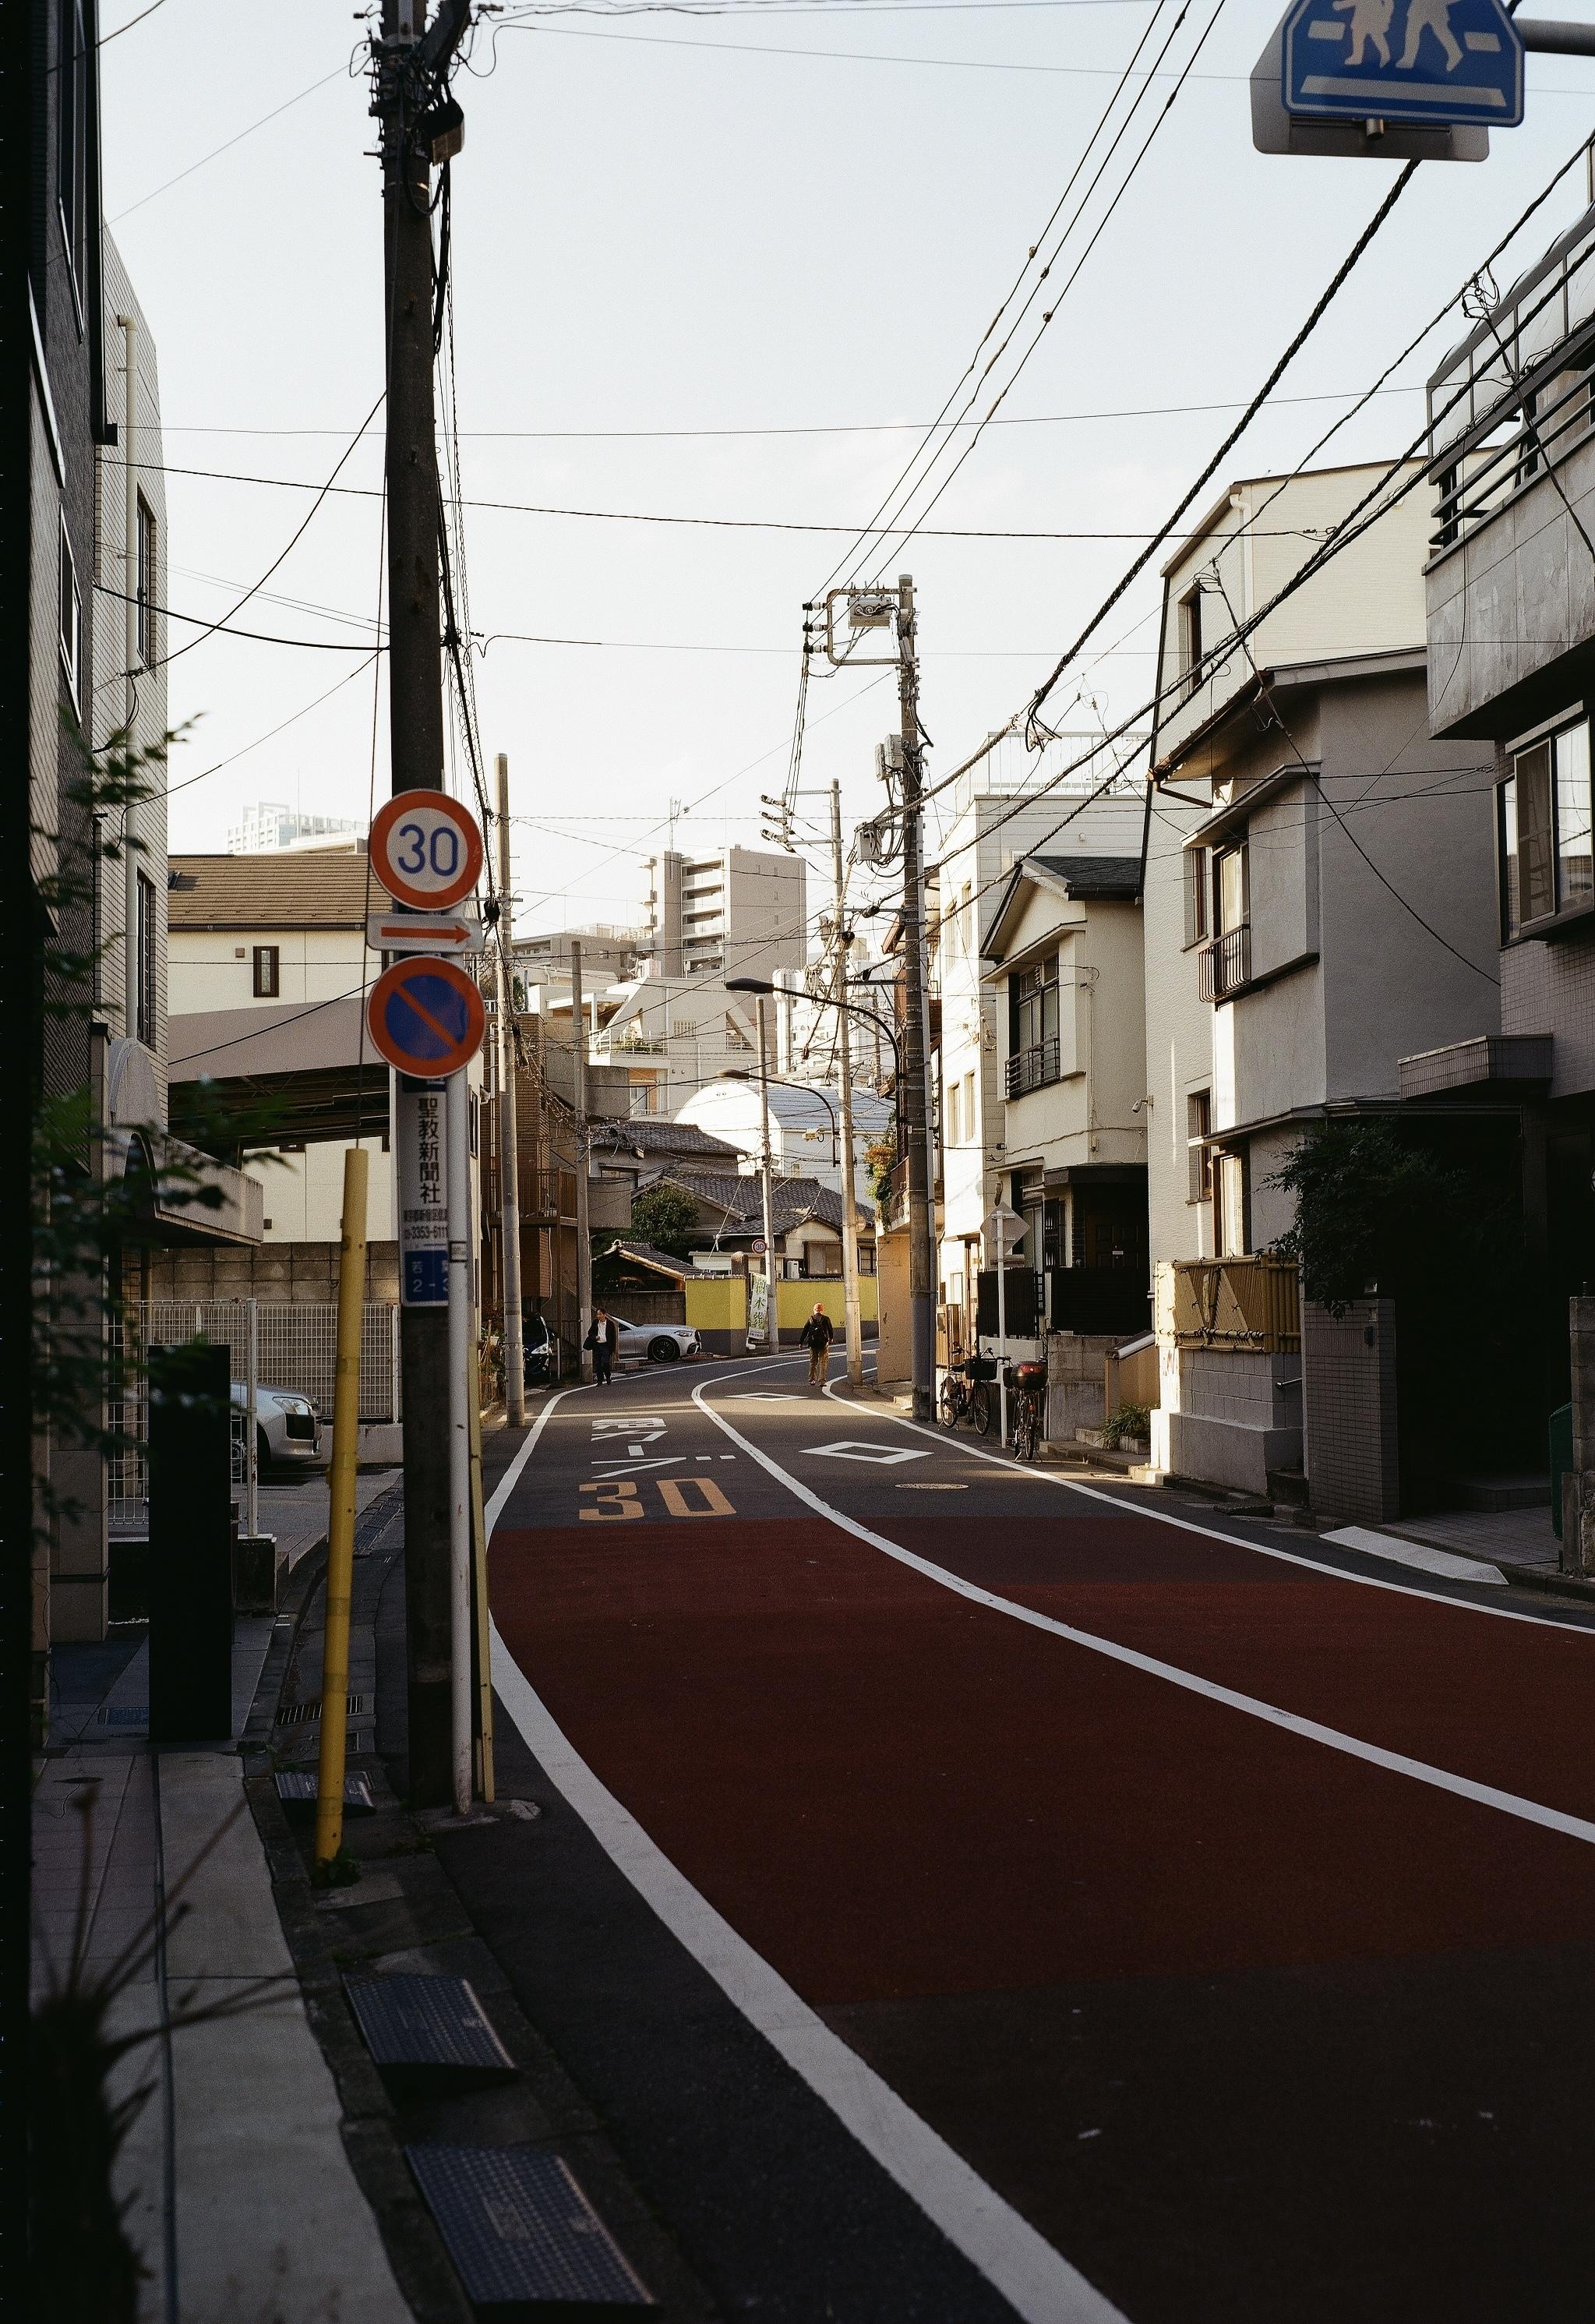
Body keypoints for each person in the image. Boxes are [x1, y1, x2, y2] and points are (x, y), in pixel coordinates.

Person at [798, 1301, 835, 1386]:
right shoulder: (826, 1319)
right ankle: (822, 1381)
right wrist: (831, 1338)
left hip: (813, 1343)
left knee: (813, 1361)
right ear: (822, 1310)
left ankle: (812, 1380)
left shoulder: (811, 1319)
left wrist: (801, 1342)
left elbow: (805, 1331)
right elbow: (830, 1329)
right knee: (823, 1361)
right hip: (823, 1343)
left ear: (814, 1310)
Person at [584, 1306, 619, 1386]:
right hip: (597, 1345)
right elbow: (590, 1332)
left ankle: (608, 1377)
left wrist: (613, 1349)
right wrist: (595, 1337)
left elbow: (614, 1337)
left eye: (600, 1314)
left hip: (606, 1346)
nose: (598, 1316)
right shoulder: (595, 1323)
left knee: (605, 1363)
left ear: (604, 1315)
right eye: (597, 1314)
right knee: (598, 1364)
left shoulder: (610, 1324)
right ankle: (600, 1380)